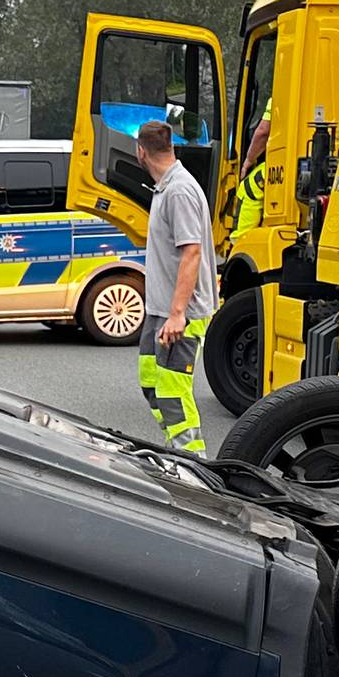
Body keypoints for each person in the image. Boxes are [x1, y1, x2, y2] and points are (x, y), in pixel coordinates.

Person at [134, 119, 215, 455]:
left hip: (180, 313)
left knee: (173, 391)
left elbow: (192, 252)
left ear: (140, 152)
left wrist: (178, 314)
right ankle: (177, 448)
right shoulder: (166, 186)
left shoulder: (179, 190)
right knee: (151, 382)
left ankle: (191, 461)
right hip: (161, 311)